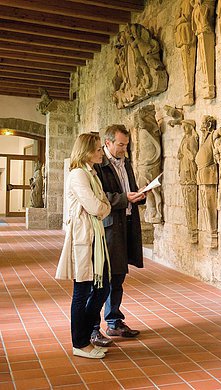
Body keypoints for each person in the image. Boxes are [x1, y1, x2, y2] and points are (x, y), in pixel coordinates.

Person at [55, 133, 111, 359]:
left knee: (102, 287)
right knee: (82, 292)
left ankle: (85, 335)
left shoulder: (91, 173)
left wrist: (102, 206)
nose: (100, 153)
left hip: (95, 238)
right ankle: (79, 342)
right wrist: (102, 207)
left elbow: (102, 203)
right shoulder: (78, 174)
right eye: (97, 149)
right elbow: (97, 207)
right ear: (86, 151)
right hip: (84, 238)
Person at [91, 124, 146, 346]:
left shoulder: (126, 162)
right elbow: (100, 196)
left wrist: (140, 194)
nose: (124, 148)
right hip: (110, 225)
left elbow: (128, 188)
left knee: (119, 276)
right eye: (121, 144)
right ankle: (93, 328)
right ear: (108, 143)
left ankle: (114, 322)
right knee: (103, 278)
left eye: (126, 145)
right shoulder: (99, 165)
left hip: (127, 223)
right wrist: (125, 198)